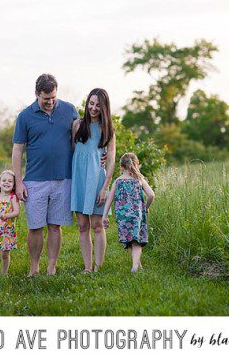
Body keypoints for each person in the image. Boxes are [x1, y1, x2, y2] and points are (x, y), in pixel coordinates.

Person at [12, 73, 80, 276]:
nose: (50, 102)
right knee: (35, 227)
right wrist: (18, 182)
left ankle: (52, 266)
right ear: (36, 94)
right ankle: (34, 267)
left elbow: (84, 139)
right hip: (34, 180)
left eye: (53, 98)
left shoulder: (69, 110)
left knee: (54, 226)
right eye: (45, 99)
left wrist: (101, 155)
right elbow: (17, 150)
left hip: (63, 178)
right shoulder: (25, 116)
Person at [70, 88, 116, 273]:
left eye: (98, 105)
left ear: (104, 107)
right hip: (79, 180)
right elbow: (73, 151)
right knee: (82, 226)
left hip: (97, 180)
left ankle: (98, 266)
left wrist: (105, 188)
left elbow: (111, 160)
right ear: (87, 103)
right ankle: (87, 267)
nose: (94, 108)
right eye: (91, 103)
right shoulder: (77, 125)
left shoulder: (108, 130)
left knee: (97, 226)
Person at [101, 153, 155, 273]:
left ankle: (137, 264)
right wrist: (146, 207)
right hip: (137, 215)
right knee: (137, 240)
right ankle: (135, 266)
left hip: (122, 216)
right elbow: (151, 195)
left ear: (121, 167)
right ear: (137, 165)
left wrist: (104, 216)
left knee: (130, 239)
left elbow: (109, 200)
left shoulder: (117, 181)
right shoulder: (139, 179)